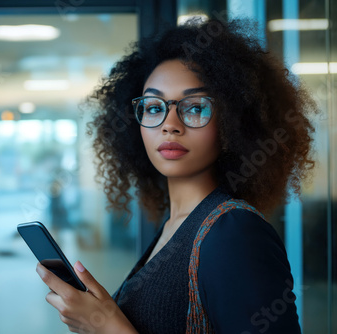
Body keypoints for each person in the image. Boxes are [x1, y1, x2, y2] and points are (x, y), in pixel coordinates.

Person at [36, 18, 316, 333]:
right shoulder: (175, 223)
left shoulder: (233, 231)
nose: (170, 124)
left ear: (232, 125)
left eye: (195, 108)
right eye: (154, 107)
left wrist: (107, 326)